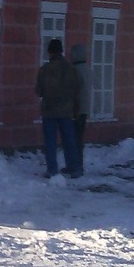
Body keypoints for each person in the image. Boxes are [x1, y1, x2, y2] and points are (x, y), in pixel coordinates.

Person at [35, 38, 81, 178]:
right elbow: (77, 90)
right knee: (69, 140)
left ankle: (52, 170)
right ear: (61, 51)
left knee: (50, 142)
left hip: (49, 110)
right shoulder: (71, 69)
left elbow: (38, 91)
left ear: (50, 52)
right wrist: (75, 110)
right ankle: (74, 168)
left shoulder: (45, 70)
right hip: (66, 110)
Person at [70, 43, 90, 176]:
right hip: (84, 108)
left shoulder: (75, 70)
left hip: (75, 109)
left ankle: (76, 166)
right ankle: (77, 165)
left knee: (74, 139)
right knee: (78, 138)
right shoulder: (88, 69)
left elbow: (72, 90)